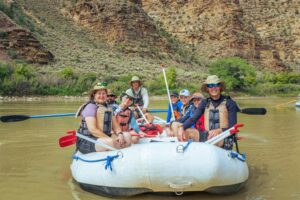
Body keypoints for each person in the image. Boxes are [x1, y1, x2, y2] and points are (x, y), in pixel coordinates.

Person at [176, 75, 240, 149]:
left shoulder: (230, 102)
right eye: (210, 85)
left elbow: (232, 127)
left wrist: (219, 130)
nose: (213, 88)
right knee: (187, 132)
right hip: (208, 135)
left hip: (224, 137)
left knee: (212, 139)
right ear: (207, 89)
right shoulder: (204, 102)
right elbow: (193, 119)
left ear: (220, 87)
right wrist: (182, 127)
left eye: (216, 85)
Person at [75, 82, 132, 154]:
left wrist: (120, 134)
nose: (101, 96)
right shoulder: (90, 107)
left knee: (127, 136)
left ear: (106, 95)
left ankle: (122, 156)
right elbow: (93, 130)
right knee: (111, 142)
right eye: (99, 93)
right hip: (88, 140)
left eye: (104, 93)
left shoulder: (108, 107)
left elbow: (115, 125)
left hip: (103, 137)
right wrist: (110, 139)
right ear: (94, 95)